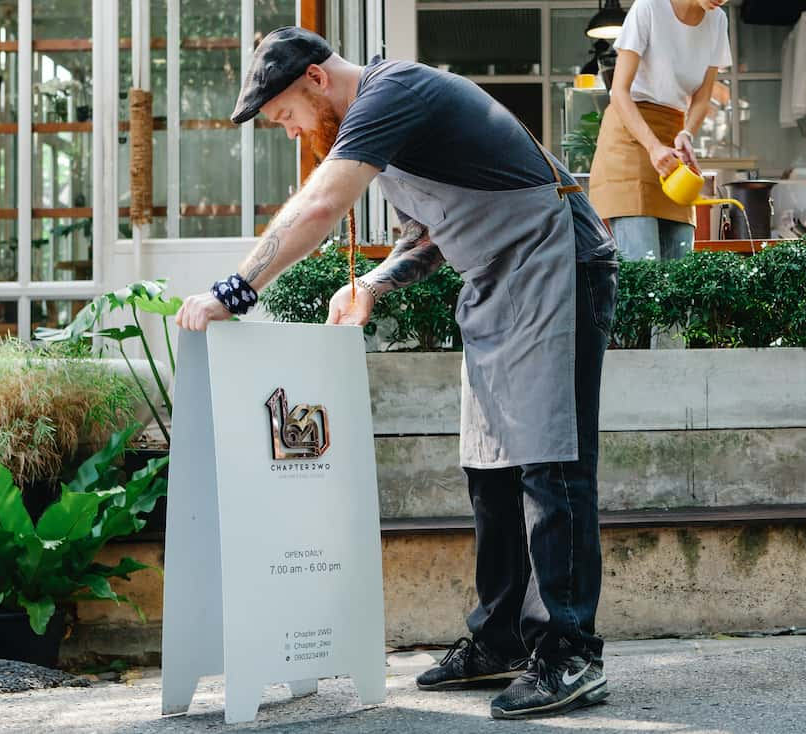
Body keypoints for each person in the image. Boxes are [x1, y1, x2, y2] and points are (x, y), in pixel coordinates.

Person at [174, 27, 618, 720]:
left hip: (556, 262)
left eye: (285, 113)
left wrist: (234, 290)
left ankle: (569, 652)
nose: (291, 131)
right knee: (491, 468)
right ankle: (501, 639)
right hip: (496, 281)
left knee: (549, 461)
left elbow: (322, 206)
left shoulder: (393, 91)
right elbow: (429, 236)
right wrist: (372, 287)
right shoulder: (380, 125)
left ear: (317, 79)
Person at [589, 0, 732, 260]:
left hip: (671, 137)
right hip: (629, 138)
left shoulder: (718, 21)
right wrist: (653, 147)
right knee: (643, 267)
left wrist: (687, 133)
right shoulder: (649, 7)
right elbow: (619, 92)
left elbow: (702, 97)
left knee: (680, 271)